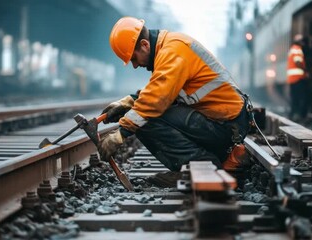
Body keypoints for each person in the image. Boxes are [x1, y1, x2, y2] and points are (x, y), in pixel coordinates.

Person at [98, 17, 251, 175]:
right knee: (144, 113)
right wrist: (128, 101)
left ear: (145, 45)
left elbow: (155, 101)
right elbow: (160, 89)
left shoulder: (172, 51)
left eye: (134, 59)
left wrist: (119, 135)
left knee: (146, 119)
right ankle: (206, 161)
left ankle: (201, 164)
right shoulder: (170, 47)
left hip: (226, 126)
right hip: (223, 122)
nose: (135, 65)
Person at [287, 34, 308, 121]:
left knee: (294, 97)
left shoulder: (293, 49)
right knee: (300, 97)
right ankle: (297, 115)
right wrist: (305, 71)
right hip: (297, 78)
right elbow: (298, 62)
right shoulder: (297, 50)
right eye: (302, 42)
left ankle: (292, 114)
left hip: (292, 78)